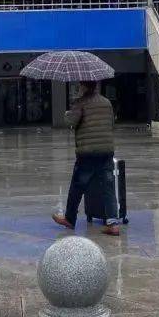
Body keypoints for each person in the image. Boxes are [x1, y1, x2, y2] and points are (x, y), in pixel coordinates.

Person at [53, 81, 121, 236]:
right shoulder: (106, 102)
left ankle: (69, 219)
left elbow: (70, 122)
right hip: (106, 151)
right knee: (108, 187)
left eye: (80, 86)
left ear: (84, 87)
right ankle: (113, 224)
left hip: (87, 152)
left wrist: (68, 112)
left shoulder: (80, 102)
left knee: (77, 186)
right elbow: (112, 123)